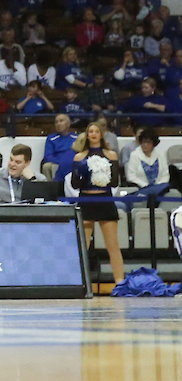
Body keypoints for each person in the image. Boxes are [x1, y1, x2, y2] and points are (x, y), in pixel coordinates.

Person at [72, 121, 125, 285]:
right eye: (90, 131)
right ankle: (78, 283)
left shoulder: (111, 155)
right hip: (86, 202)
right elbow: (75, 184)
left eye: (96, 131)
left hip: (105, 201)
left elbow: (115, 182)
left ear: (101, 134)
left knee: (113, 246)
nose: (93, 134)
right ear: (87, 135)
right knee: (83, 247)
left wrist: (103, 176)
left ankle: (120, 282)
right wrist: (84, 174)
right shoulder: (79, 157)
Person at [43, 114, 77, 180]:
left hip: (72, 162)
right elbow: (48, 156)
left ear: (68, 124)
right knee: (46, 166)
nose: (58, 124)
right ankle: (49, 189)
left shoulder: (77, 137)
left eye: (61, 121)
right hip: (56, 163)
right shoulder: (51, 138)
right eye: (56, 122)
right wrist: (62, 162)